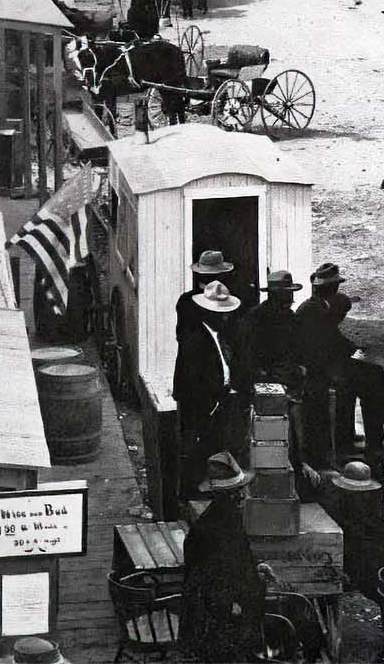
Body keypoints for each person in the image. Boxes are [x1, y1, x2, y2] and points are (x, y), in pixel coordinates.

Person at [294, 263, 384, 461]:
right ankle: (382, 439)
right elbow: (325, 345)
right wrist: (350, 350)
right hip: (318, 370)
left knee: (373, 375)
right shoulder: (314, 310)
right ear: (331, 288)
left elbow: (333, 339)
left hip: (326, 365)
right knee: (371, 380)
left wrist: (352, 348)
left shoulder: (319, 305)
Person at [179, 452, 266, 664]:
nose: (245, 495)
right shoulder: (220, 528)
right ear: (229, 496)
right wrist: (241, 598)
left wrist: (258, 566)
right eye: (239, 491)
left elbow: (239, 560)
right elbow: (226, 574)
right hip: (214, 613)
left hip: (213, 601)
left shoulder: (217, 518)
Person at [174, 280, 246, 496]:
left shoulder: (218, 334)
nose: (226, 317)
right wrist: (210, 405)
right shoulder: (195, 339)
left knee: (211, 447)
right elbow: (194, 383)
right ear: (208, 313)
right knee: (196, 448)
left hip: (215, 401)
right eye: (221, 313)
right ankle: (192, 494)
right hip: (200, 404)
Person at [234, 270, 306, 390]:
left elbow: (297, 347)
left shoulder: (290, 317)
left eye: (291, 293)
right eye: (284, 294)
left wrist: (300, 367)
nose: (289, 299)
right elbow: (247, 355)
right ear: (272, 295)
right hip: (265, 379)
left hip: (290, 375)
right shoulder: (255, 318)